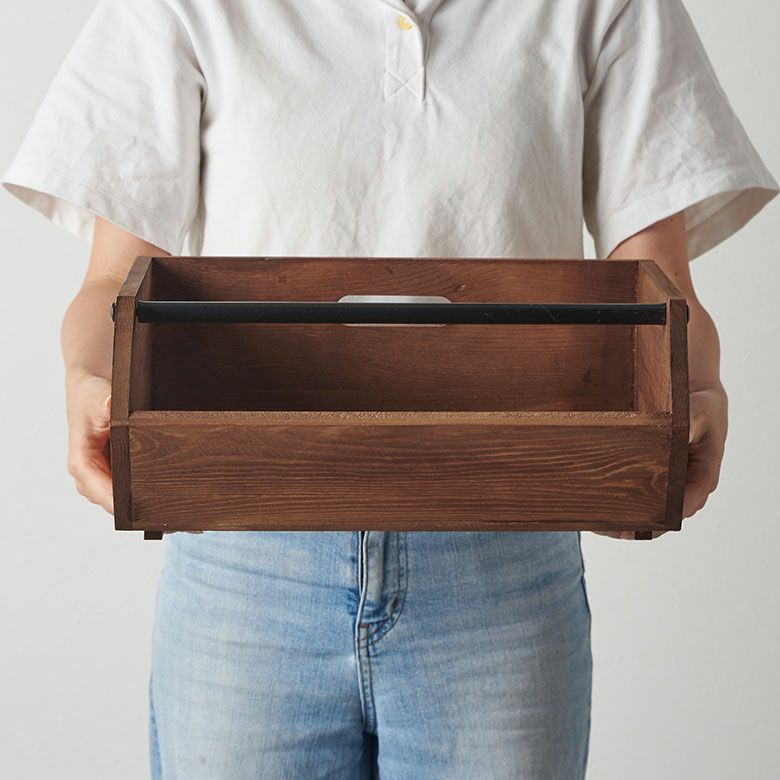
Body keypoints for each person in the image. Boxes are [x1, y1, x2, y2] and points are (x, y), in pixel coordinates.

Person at [2, 0, 777, 777]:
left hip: (503, 557)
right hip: (246, 559)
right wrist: (89, 380)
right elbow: (114, 281)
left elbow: (660, 287)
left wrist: (696, 389)